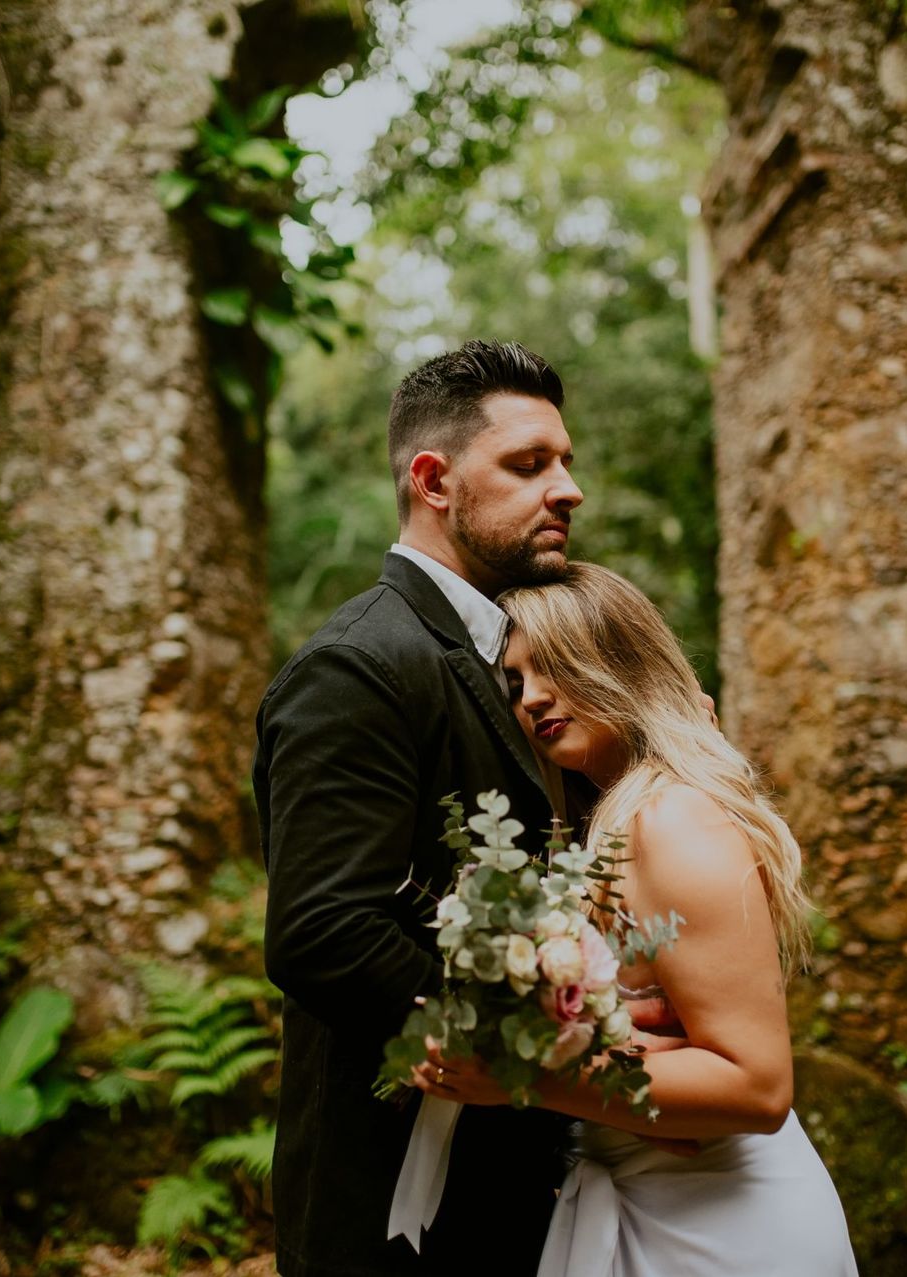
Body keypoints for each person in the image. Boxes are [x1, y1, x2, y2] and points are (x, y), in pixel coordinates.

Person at [410, 562, 862, 1276]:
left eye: (553, 664)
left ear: (621, 661)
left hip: (724, 1226)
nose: (532, 697)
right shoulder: (613, 824)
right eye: (516, 681)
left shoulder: (672, 819)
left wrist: (521, 1076)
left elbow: (758, 1085)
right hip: (647, 1202)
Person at [256, 340, 591, 1276]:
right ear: (434, 481)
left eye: (566, 462)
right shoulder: (358, 665)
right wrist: (534, 1032)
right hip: (396, 1205)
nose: (568, 490)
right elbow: (324, 929)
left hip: (521, 1191)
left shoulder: (522, 658)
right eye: (528, 463)